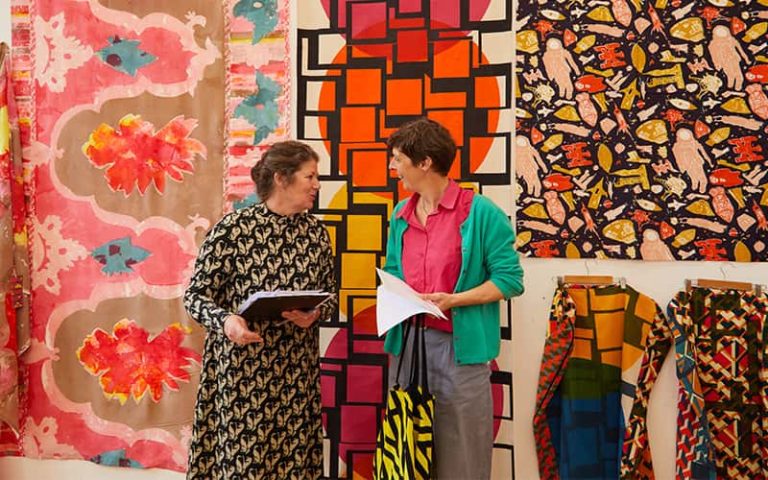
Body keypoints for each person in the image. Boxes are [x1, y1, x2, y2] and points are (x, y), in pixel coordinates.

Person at [184, 140, 337, 480]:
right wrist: (226, 321)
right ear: (282, 178)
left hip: (296, 376)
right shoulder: (232, 230)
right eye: (310, 176)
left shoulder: (316, 234)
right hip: (242, 375)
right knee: (244, 466)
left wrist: (315, 314)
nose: (317, 185)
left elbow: (331, 296)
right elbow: (195, 297)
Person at [382, 118, 524, 479]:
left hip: (460, 349)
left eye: (398, 159)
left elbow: (509, 281)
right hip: (409, 345)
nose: (393, 167)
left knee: (462, 446)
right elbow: (394, 272)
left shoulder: (481, 213)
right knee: (409, 447)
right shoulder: (400, 216)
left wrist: (453, 300)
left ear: (424, 162)